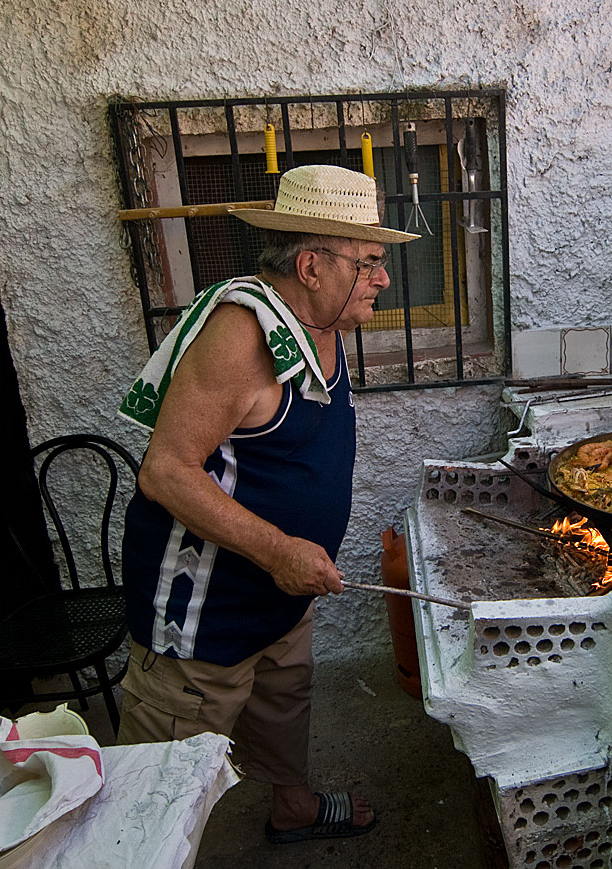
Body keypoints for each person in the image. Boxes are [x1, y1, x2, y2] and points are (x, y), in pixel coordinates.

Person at [116, 164, 418, 844]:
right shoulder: (240, 335)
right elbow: (165, 472)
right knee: (156, 792)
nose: (384, 278)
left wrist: (291, 562)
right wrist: (280, 549)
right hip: (205, 616)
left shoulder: (323, 322)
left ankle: (292, 805)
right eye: (369, 262)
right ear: (312, 265)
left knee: (283, 701)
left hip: (281, 595)